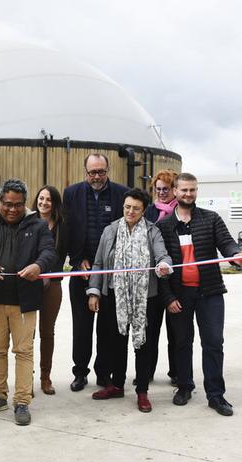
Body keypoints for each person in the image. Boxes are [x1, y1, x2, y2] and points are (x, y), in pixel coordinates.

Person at [0, 179, 56, 426]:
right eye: (7, 204)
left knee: (23, 352)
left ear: (24, 204)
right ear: (1, 202)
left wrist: (38, 266)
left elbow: (50, 252)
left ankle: (22, 401)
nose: (12, 209)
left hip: (24, 303)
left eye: (18, 205)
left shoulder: (37, 225)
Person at [156, 172, 242, 416]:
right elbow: (158, 268)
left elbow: (227, 243)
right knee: (182, 342)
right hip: (180, 294)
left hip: (210, 292)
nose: (188, 194)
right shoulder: (163, 226)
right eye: (183, 190)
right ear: (175, 191)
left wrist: (236, 255)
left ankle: (216, 395)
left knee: (214, 343)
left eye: (192, 190)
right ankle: (184, 386)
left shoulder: (211, 219)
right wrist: (168, 298)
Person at [86, 189, 173, 412]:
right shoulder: (111, 230)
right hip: (116, 295)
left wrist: (164, 265)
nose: (130, 211)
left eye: (135, 208)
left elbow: (162, 254)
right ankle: (116, 385)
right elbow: (98, 263)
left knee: (143, 344)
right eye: (127, 207)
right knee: (115, 343)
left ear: (144, 210)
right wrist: (94, 291)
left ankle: (142, 391)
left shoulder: (152, 230)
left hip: (146, 297)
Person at [63, 153, 129, 392]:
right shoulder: (71, 194)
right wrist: (77, 259)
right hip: (83, 271)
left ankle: (104, 373)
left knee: (107, 327)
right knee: (81, 327)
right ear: (85, 172)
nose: (97, 176)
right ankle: (80, 372)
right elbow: (67, 229)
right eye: (93, 172)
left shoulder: (122, 193)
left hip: (111, 273)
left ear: (108, 170)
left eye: (101, 171)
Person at [143, 169, 180, 386]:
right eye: (158, 189)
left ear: (174, 189)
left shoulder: (181, 212)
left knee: (176, 331)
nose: (162, 193)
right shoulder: (148, 211)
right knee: (151, 330)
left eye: (166, 189)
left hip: (174, 279)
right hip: (152, 280)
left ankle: (176, 372)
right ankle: (146, 371)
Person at [32, 185, 69, 395]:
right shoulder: (28, 221)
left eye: (48, 200)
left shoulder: (63, 226)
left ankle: (45, 377)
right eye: (41, 198)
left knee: (47, 332)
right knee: (28, 333)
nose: (44, 203)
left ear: (54, 204)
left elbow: (72, 249)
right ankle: (26, 377)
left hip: (53, 284)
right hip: (29, 283)